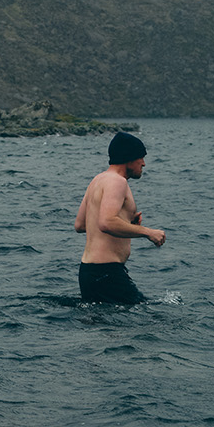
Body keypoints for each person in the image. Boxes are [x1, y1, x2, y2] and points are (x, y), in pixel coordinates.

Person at [73, 130, 164, 304]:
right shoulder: (117, 182)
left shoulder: (98, 180)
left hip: (89, 273)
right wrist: (147, 232)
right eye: (141, 158)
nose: (143, 164)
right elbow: (106, 222)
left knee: (104, 326)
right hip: (107, 272)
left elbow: (80, 224)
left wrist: (126, 224)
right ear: (129, 158)